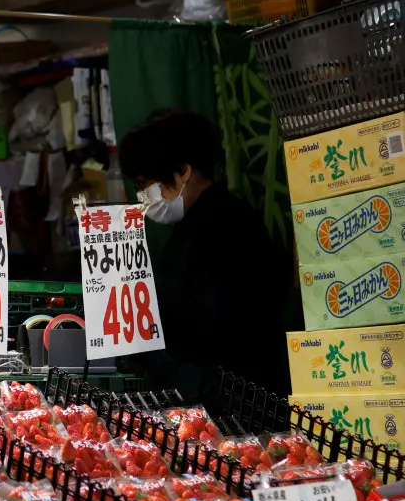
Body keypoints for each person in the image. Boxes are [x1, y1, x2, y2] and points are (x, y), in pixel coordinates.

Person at [118, 109, 292, 402]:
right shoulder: (195, 223)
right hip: (212, 394)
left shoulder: (227, 224)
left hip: (236, 402)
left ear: (184, 170)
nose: (143, 196)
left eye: (145, 184)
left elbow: (218, 324)